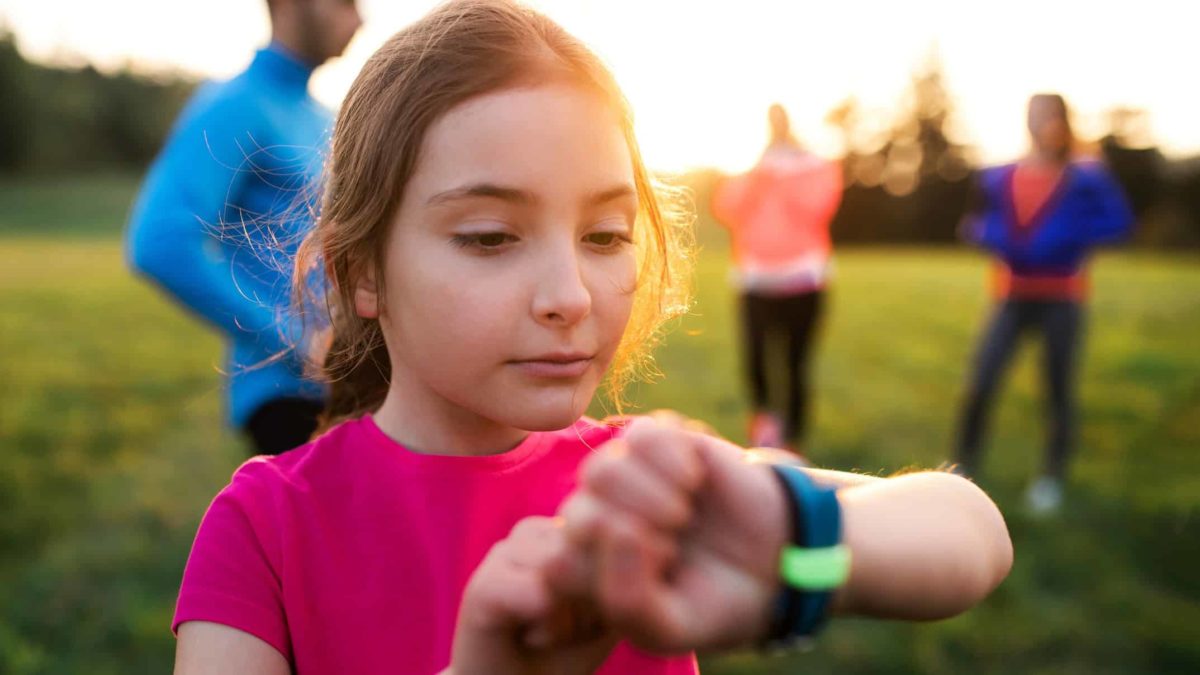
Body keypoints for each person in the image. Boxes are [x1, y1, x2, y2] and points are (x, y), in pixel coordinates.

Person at [170, 3, 1012, 674]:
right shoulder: (263, 530)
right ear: (361, 271)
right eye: (491, 237)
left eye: (606, 235)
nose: (570, 296)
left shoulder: (636, 485)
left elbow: (972, 527)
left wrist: (798, 544)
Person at [125, 0, 362, 455]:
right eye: (343, 3)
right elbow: (161, 242)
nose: (358, 19)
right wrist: (296, 342)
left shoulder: (320, 115)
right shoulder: (235, 106)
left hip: (346, 390)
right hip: (286, 401)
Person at [955, 93, 1134, 513]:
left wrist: (1066, 237)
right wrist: (990, 236)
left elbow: (1119, 223)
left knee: (1057, 390)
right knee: (981, 381)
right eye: (1034, 114)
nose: (1040, 123)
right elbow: (976, 222)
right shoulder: (1001, 175)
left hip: (1061, 296)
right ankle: (961, 469)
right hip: (1010, 294)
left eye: (1048, 115)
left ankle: (1051, 478)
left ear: (1063, 121)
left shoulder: (1086, 176)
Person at [711, 104, 842, 453]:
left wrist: (784, 177)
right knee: (755, 362)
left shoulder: (814, 165)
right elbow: (726, 207)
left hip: (805, 281)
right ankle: (765, 430)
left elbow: (817, 208)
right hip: (755, 281)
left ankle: (794, 442)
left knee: (796, 365)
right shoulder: (753, 167)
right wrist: (762, 172)